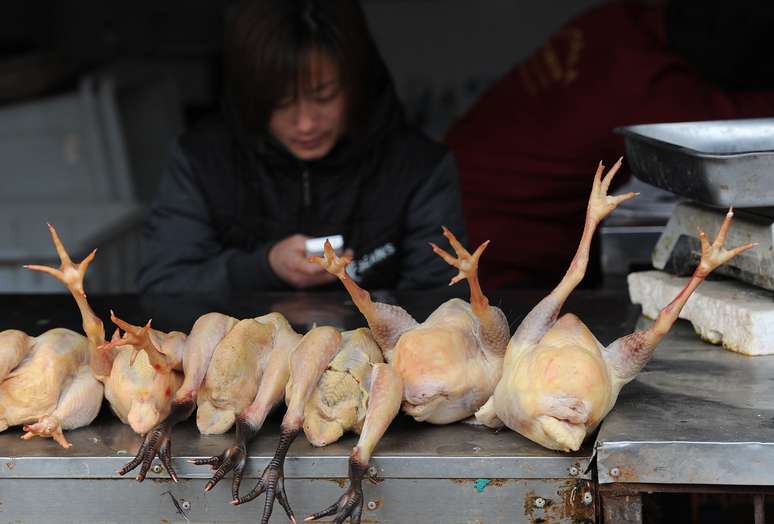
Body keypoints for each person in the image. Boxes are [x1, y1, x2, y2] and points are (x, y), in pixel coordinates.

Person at [138, 0, 466, 294]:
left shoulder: (419, 168)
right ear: (250, 97)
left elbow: (441, 299)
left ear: (357, 84)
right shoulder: (202, 159)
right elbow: (164, 285)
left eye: (324, 96)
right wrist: (262, 268)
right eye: (281, 102)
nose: (306, 123)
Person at [445, 0, 774, 290]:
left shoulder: (615, 20)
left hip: (461, 192)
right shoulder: (645, 88)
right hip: (489, 249)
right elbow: (740, 132)